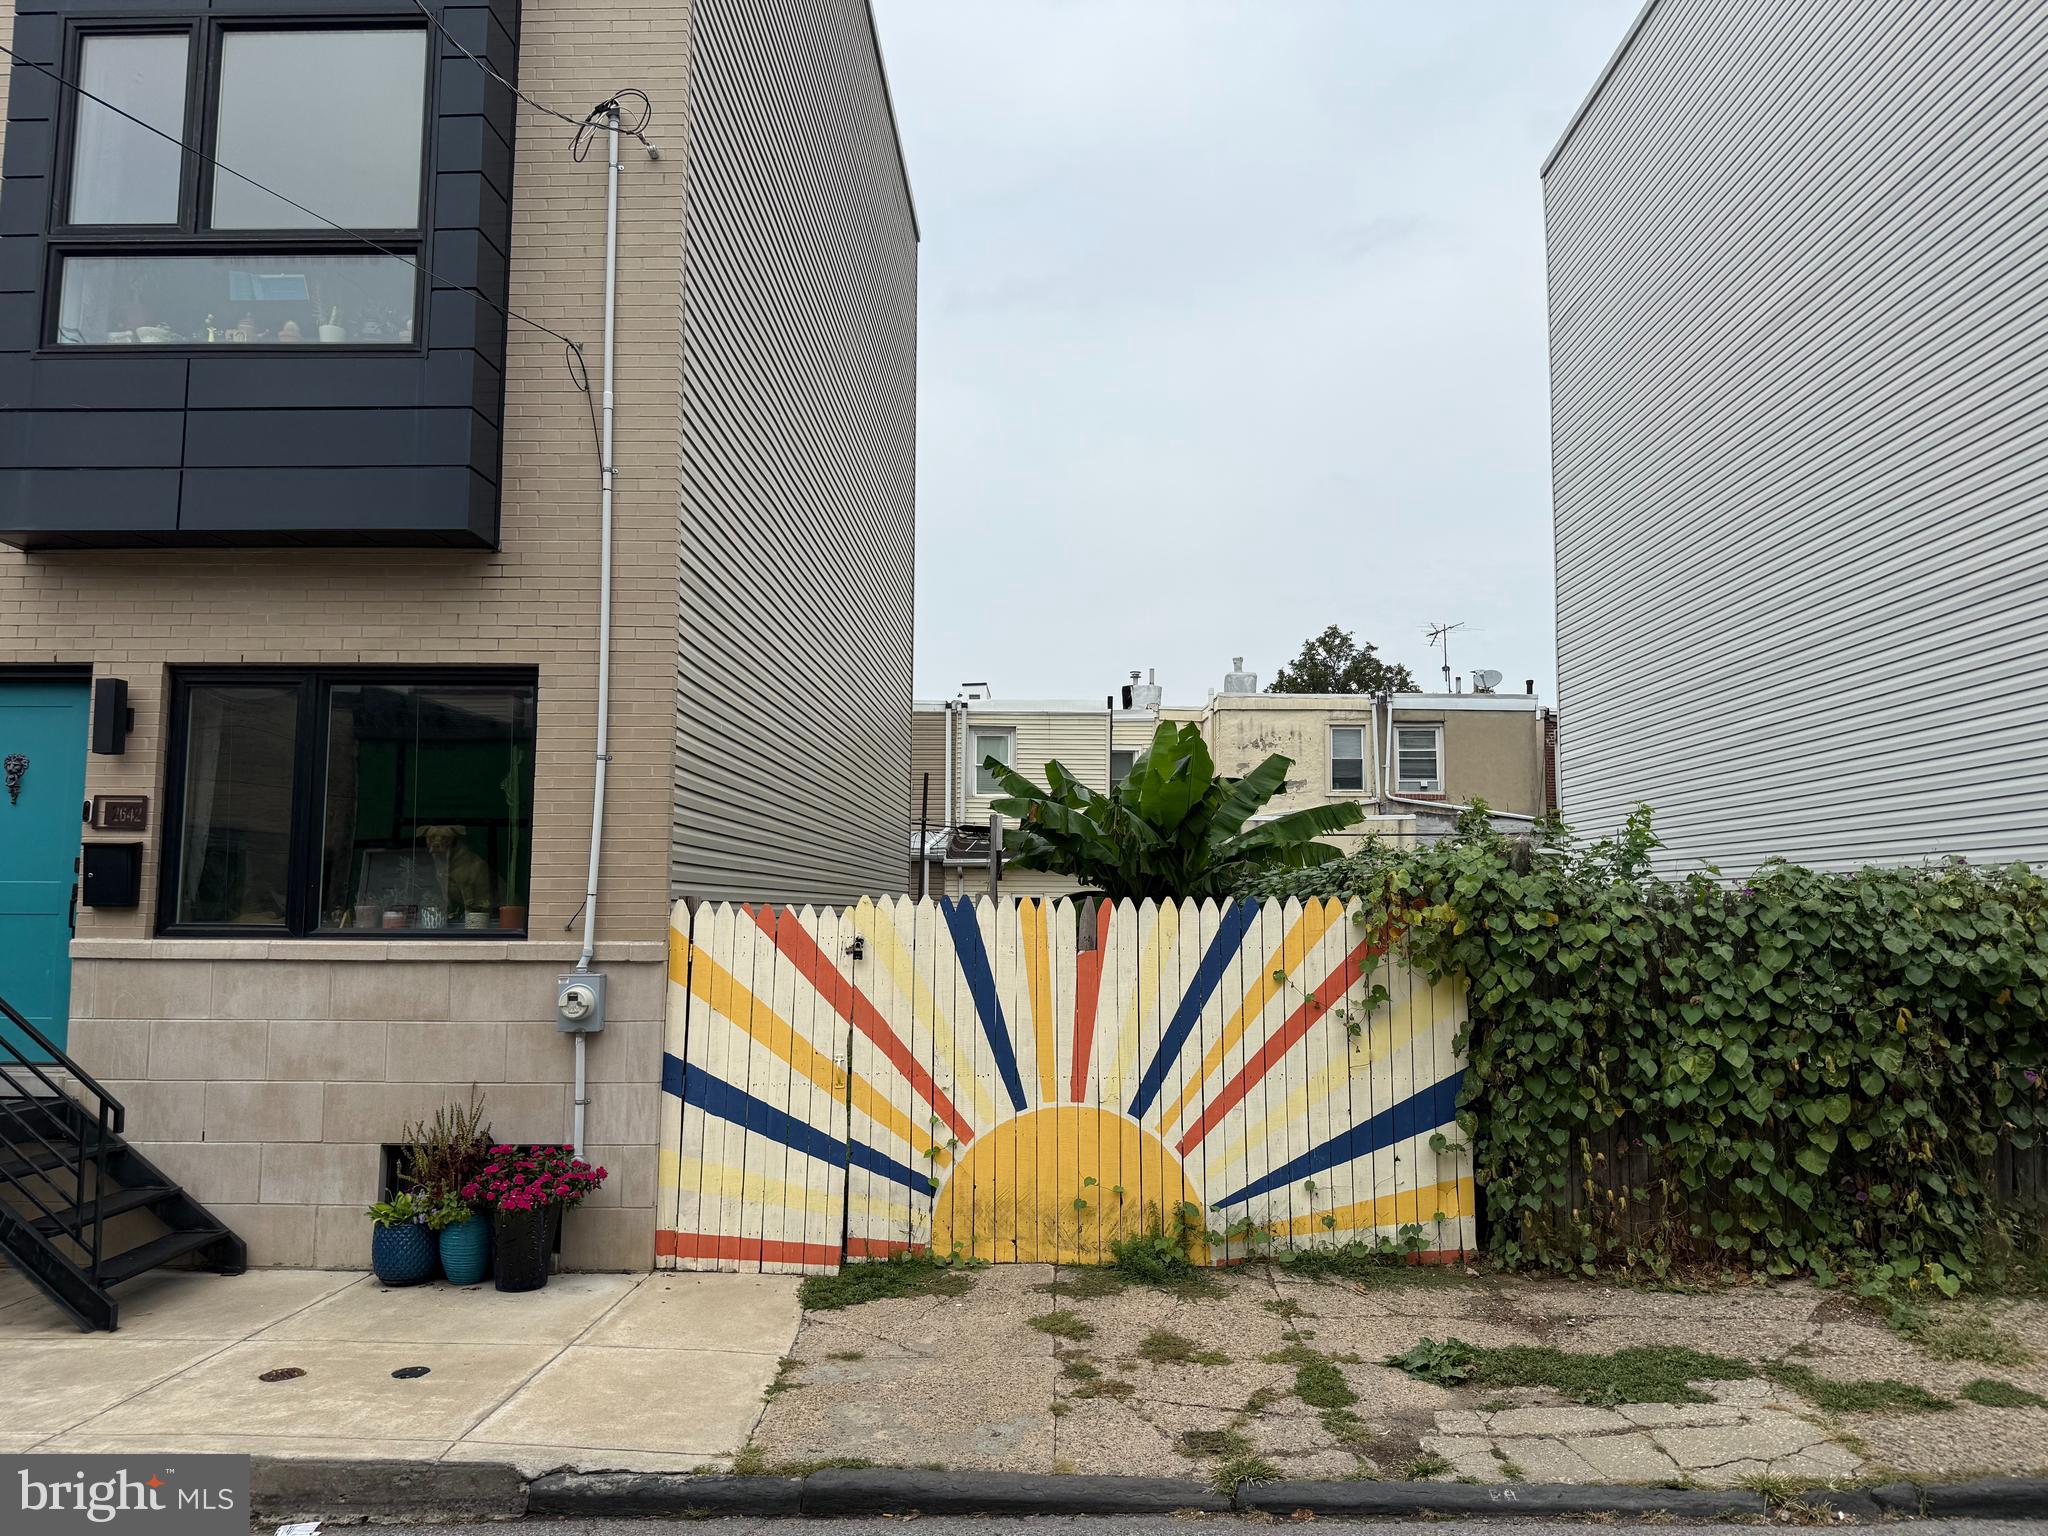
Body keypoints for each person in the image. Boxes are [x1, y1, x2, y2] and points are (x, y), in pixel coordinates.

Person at [421, 824, 495, 919]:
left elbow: (467, 892)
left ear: (453, 840)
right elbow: (445, 892)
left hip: (487, 909)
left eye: (444, 838)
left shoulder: (463, 859)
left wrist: (469, 917)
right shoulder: (441, 862)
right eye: (432, 838)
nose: (436, 842)